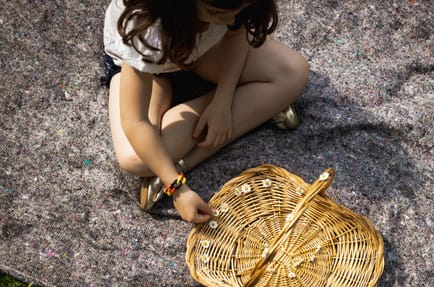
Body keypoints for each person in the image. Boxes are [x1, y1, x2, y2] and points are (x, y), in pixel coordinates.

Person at [102, 0, 309, 223]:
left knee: (293, 71)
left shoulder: (228, 12)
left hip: (204, 50)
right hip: (151, 73)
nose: (229, 20)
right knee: (134, 158)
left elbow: (234, 32)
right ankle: (256, 103)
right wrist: (178, 189)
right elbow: (135, 121)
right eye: (215, 11)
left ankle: (248, 105)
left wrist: (223, 100)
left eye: (235, 11)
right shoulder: (146, 24)